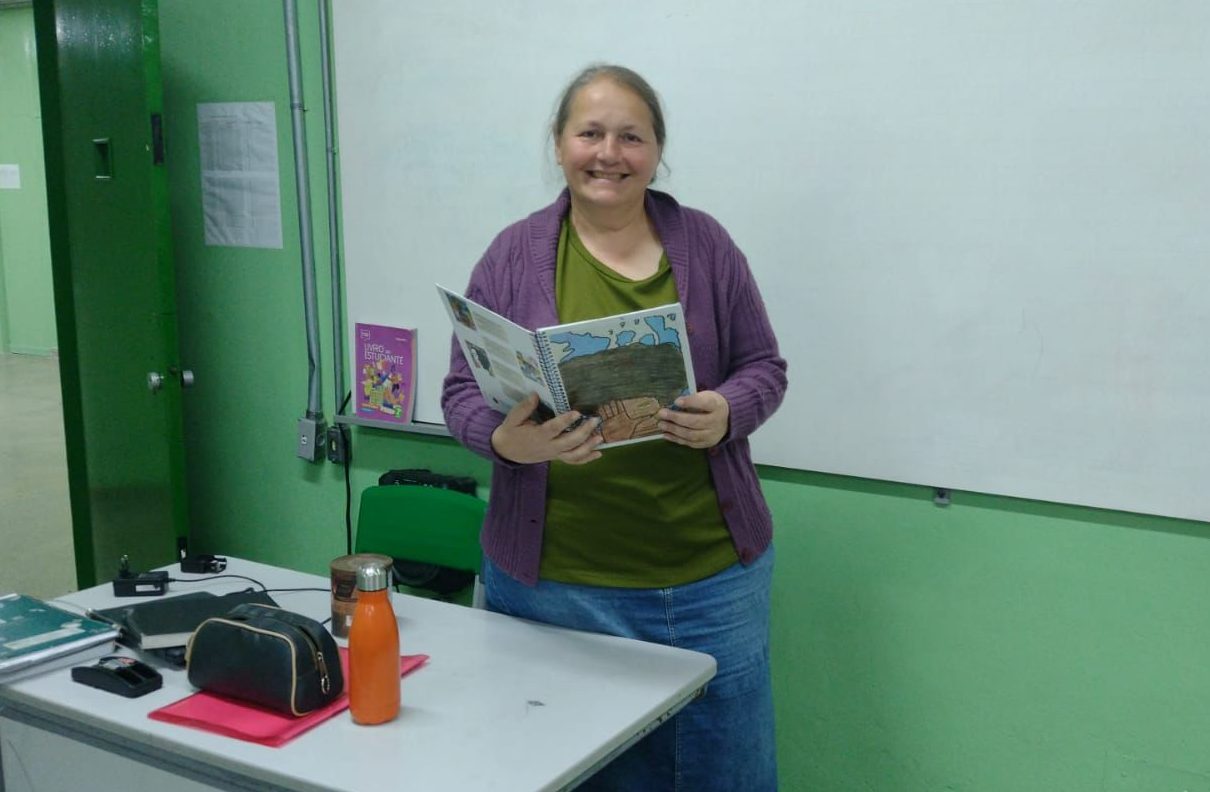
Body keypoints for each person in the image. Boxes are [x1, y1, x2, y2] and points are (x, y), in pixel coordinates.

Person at [442, 63, 788, 791]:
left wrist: (728, 412)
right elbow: (461, 391)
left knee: (717, 774)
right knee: (562, 772)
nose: (609, 153)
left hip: (708, 584)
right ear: (559, 143)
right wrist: (504, 441)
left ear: (657, 150)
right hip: (550, 590)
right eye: (590, 133)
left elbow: (763, 367)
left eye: (631, 136)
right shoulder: (511, 254)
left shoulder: (708, 246)